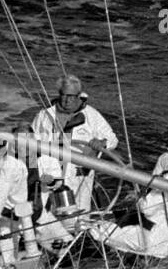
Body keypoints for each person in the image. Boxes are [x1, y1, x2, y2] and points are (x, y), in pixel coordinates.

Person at [31, 73, 118, 224]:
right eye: (64, 95)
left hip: (79, 176)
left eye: (71, 96)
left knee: (79, 218)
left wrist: (102, 142)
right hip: (50, 174)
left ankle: (78, 242)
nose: (67, 100)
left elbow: (112, 139)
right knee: (47, 217)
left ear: (79, 95)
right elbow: (31, 141)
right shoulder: (44, 115)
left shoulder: (91, 115)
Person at [95, 134, 168, 257]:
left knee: (96, 228)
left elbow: (147, 208)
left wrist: (138, 197)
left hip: (152, 240)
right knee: (119, 223)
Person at [0, 126, 41, 269]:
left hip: (36, 214)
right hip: (11, 218)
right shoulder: (10, 166)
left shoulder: (41, 160)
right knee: (7, 260)